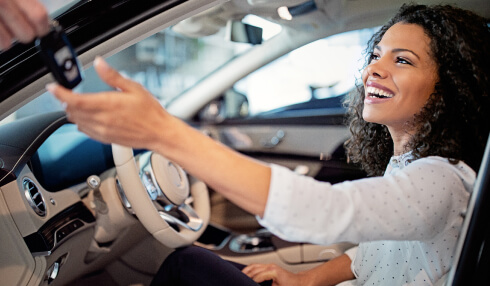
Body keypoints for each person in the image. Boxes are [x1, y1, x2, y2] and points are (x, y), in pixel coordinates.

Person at [44, 2, 489, 286]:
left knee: (186, 266)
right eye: (376, 54)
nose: (376, 69)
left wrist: (162, 131)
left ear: (449, 87)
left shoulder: (441, 179)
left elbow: (321, 212)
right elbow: (376, 252)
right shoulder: (412, 166)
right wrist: (306, 280)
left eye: (403, 60)